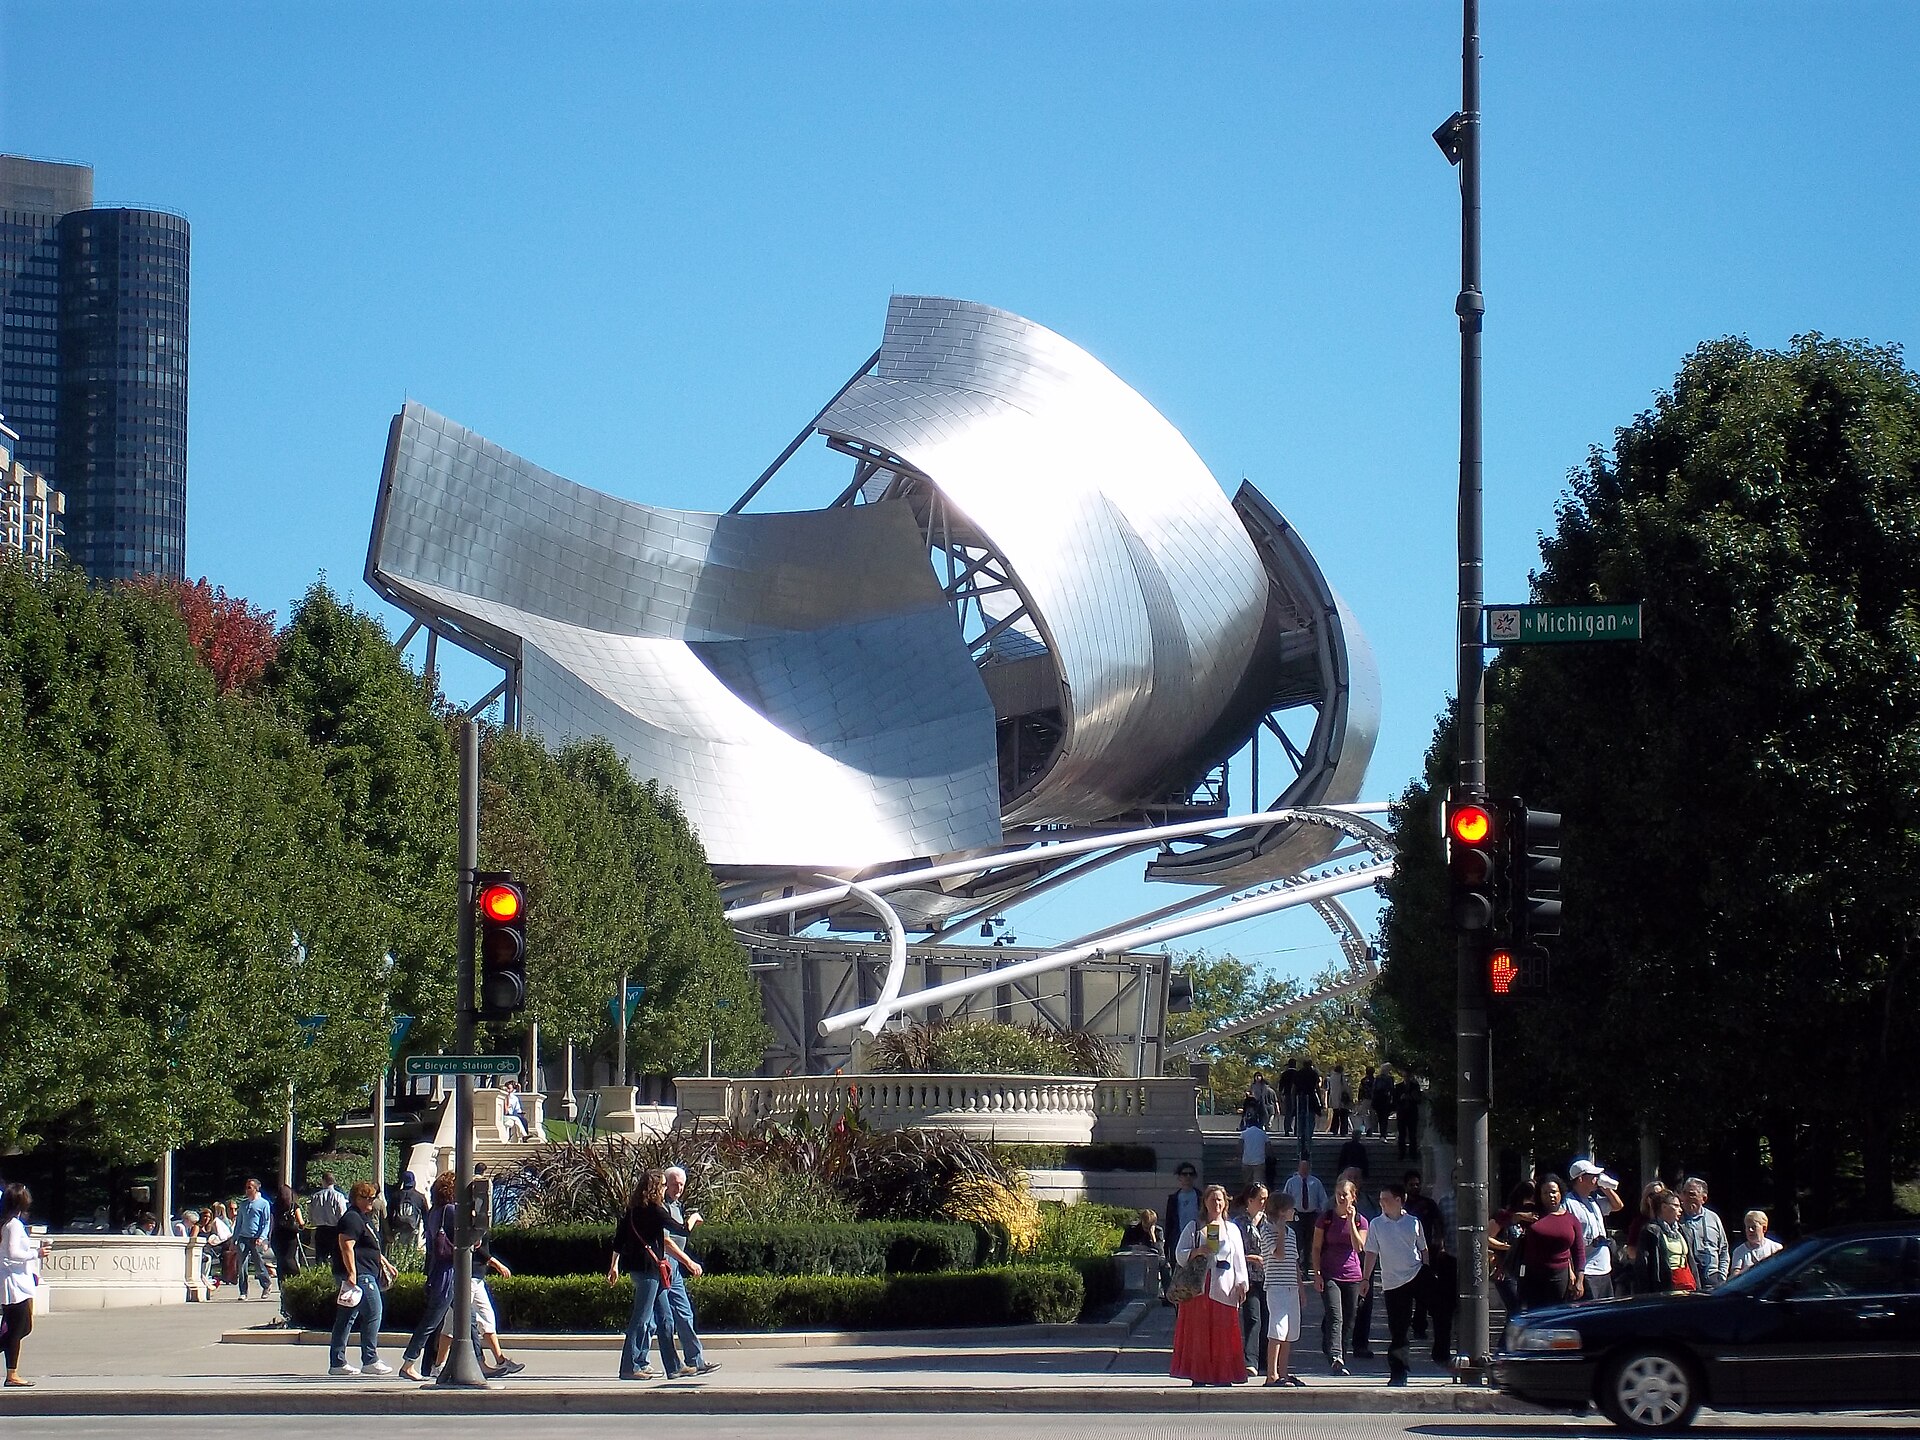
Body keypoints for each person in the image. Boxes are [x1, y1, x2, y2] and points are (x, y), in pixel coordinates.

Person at [607, 1170, 702, 1380]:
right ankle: (629, 1367)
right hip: (647, 1270)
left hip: (647, 1270)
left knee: (666, 1318)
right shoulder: (655, 1210)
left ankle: (674, 1367)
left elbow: (618, 1240)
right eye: (662, 1186)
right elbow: (682, 1230)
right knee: (641, 1319)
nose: (665, 1190)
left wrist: (614, 1265)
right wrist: (694, 1218)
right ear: (655, 1188)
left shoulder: (632, 1210)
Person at [1170, 1183, 1249, 1385]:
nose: (1217, 1204)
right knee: (1199, 1333)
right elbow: (1180, 1255)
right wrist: (1198, 1251)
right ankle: (1199, 1374)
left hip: (1225, 1285)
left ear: (1225, 1203)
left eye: (1220, 1200)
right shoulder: (1194, 1227)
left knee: (1224, 1330)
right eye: (1212, 1199)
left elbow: (1239, 1259)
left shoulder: (1232, 1229)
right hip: (1199, 1288)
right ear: (1205, 1202)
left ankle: (1223, 1374)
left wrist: (1241, 1283)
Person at [1360, 1182, 1429, 1386]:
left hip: (1416, 1274)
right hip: (1392, 1283)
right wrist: (1366, 1278)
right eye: (1380, 1199)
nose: (1382, 1203)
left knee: (1435, 1309)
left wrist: (1426, 1270)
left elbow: (1423, 1249)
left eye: (1386, 1199)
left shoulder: (1413, 1222)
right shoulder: (1376, 1225)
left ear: (1399, 1201)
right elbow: (1371, 1252)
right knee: (1398, 1329)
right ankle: (1399, 1372)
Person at [399, 1174, 464, 1381]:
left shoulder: (435, 1211)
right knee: (433, 1319)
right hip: (448, 1271)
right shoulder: (452, 1211)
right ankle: (409, 1362)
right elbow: (463, 1239)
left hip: (438, 1269)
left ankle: (477, 1361)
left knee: (468, 1319)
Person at [328, 1181, 397, 1377]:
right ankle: (370, 1359)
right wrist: (351, 1273)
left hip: (366, 1271)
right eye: (366, 1197)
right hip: (361, 1274)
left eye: (372, 1197)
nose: (370, 1201)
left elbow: (369, 1246)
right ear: (355, 1198)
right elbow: (346, 1246)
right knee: (374, 1312)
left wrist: (385, 1262)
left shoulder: (362, 1218)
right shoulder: (351, 1218)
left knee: (346, 1318)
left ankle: (337, 1362)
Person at [662, 1165, 721, 1376]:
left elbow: (681, 1231)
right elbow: (666, 1241)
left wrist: (693, 1218)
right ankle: (638, 1362)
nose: (678, 1188)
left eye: (681, 1185)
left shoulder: (677, 1206)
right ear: (665, 1184)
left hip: (675, 1269)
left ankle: (696, 1361)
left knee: (685, 1314)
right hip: (663, 1267)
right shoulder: (662, 1207)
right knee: (657, 1320)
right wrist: (689, 1262)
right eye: (674, 1184)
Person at [1312, 1177, 1368, 1375]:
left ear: (1353, 1197)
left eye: (1345, 1194)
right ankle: (1336, 1356)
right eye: (1338, 1194)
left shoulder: (1361, 1221)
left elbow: (1359, 1247)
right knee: (1336, 1315)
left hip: (1352, 1275)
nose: (1341, 1198)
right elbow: (1316, 1247)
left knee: (1349, 1318)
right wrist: (1317, 1273)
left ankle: (1340, 1352)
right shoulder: (1325, 1218)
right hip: (1330, 1274)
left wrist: (1351, 1221)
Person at [2, 1183, 51, 1388]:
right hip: (14, 1283)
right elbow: (13, 1253)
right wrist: (36, 1254)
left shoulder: (9, 1223)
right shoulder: (13, 1224)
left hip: (17, 1280)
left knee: (22, 1327)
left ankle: (12, 1372)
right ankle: (12, 1374)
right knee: (16, 1328)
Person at [1260, 1191, 1308, 1387]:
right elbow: (1278, 1254)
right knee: (1277, 1330)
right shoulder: (1266, 1230)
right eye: (1289, 1208)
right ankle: (1271, 1375)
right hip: (1276, 1286)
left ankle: (1283, 1372)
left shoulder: (1292, 1232)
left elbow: (1294, 1261)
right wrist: (1279, 1232)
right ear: (1280, 1211)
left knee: (1289, 1332)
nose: (1293, 1211)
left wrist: (1301, 1288)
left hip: (1290, 1286)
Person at [1517, 1174, 1585, 1310]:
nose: (1551, 1196)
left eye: (1554, 1192)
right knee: (1535, 1318)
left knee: (1557, 1317)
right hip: (1532, 1278)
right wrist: (1517, 1216)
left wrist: (1579, 1280)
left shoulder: (1571, 1220)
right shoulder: (1530, 1215)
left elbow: (1579, 1252)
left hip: (1560, 1278)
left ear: (1561, 1193)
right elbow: (1503, 1219)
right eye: (1546, 1193)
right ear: (1539, 1195)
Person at [1565, 1159, 1624, 1301]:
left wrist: (1606, 1187)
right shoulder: (1568, 1203)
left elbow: (1618, 1205)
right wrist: (1572, 1273)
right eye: (1593, 1176)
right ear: (1580, 1179)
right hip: (1587, 1269)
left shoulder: (1593, 1201)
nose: (1596, 1179)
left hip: (1604, 1268)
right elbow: (1565, 1241)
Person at [1232, 1184, 1272, 1378]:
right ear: (1250, 1200)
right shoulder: (1238, 1224)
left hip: (1269, 1277)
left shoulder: (1270, 1221)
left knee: (1268, 1317)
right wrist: (1252, 1258)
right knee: (1253, 1317)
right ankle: (1251, 1360)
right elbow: (1233, 1251)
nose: (1264, 1202)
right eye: (1261, 1198)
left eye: (1266, 1198)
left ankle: (1266, 1359)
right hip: (1248, 1276)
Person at [1488, 1180, 1538, 1318]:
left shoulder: (1535, 1217)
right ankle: (1507, 1340)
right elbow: (1486, 1238)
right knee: (1517, 1310)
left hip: (1528, 1269)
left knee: (1523, 1310)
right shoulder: (1504, 1215)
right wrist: (1508, 1247)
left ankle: (1510, 1339)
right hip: (1507, 1268)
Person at [1634, 1189, 1696, 1293]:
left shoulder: (1683, 1230)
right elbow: (1643, 1265)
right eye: (1676, 1206)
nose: (1680, 1209)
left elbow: (1691, 1261)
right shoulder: (1651, 1231)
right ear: (1664, 1207)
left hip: (1686, 1282)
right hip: (1665, 1285)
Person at [1678, 1177, 1731, 1292]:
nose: (1686, 1198)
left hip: (1712, 1278)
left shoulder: (1713, 1218)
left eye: (1691, 1194)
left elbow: (1723, 1249)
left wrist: (1721, 1276)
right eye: (1684, 1193)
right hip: (1687, 1280)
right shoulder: (1677, 1219)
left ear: (1704, 1198)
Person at [232, 1178, 276, 1300]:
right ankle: (243, 1291)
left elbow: (266, 1222)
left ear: (256, 1188)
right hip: (243, 1237)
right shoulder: (243, 1204)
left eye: (249, 1187)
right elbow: (238, 1222)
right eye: (246, 1187)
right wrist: (234, 1238)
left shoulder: (263, 1203)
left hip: (256, 1238)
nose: (247, 1190)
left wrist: (262, 1237)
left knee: (259, 1264)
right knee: (242, 1265)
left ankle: (266, 1285)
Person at [269, 1181, 307, 1321]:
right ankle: (296, 1283)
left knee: (281, 1262)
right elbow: (301, 1223)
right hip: (290, 1236)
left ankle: (283, 1288)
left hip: (277, 1236)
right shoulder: (294, 1206)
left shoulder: (275, 1207)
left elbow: (272, 1224)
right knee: (290, 1259)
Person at [1281, 1157, 1326, 1272]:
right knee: (1298, 1240)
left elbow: (1322, 1199)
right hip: (1297, 1215)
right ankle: (1298, 1266)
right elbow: (1285, 1197)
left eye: (1306, 1167)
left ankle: (1307, 1266)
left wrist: (1323, 1213)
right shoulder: (1291, 1182)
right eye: (1302, 1167)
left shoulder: (1315, 1182)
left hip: (1312, 1215)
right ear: (1299, 1168)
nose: (1304, 1170)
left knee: (1309, 1241)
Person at [1162, 1162, 1203, 1290]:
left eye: (1191, 1174)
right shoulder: (1174, 1198)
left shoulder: (1200, 1197)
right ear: (1179, 1177)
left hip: (1197, 1241)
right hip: (1178, 1240)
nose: (1188, 1177)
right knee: (1179, 1279)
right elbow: (1169, 1223)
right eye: (1184, 1174)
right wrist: (1166, 1247)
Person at [388, 1171, 428, 1260]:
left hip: (398, 1228)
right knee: (411, 1253)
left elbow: (390, 1213)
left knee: (398, 1253)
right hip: (413, 1228)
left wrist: (389, 1229)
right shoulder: (420, 1197)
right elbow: (426, 1215)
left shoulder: (396, 1195)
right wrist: (426, 1230)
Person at [1729, 1210, 1783, 1275]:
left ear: (1764, 1229)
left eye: (1753, 1227)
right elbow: (1734, 1277)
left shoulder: (1776, 1248)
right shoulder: (1739, 1251)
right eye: (1747, 1227)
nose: (1750, 1230)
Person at [309, 1171, 347, 1261]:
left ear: (323, 1181)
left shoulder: (315, 1196)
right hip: (335, 1229)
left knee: (320, 1257)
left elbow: (311, 1214)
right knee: (336, 1257)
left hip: (320, 1229)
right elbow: (342, 1213)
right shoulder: (339, 1196)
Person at [1294, 1056, 1322, 1158]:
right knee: (1310, 1119)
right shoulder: (1313, 1073)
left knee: (1301, 1118)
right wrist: (1320, 1101)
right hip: (1310, 1098)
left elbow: (1295, 1087)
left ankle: (1301, 1140)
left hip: (1300, 1098)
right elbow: (1316, 1087)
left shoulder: (1299, 1073)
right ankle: (1308, 1141)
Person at [1394, 1074, 1422, 1159]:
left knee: (1412, 1134)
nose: (1407, 1078)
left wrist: (1412, 1097)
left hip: (1412, 1112)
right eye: (1405, 1076)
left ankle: (1413, 1153)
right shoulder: (1398, 1086)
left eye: (1408, 1076)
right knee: (1402, 1134)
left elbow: (1419, 1099)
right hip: (1402, 1112)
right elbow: (1395, 1100)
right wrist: (1400, 1098)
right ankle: (1401, 1153)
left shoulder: (1415, 1086)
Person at [1239, 1109, 1268, 1190]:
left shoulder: (1244, 1133)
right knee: (1258, 1185)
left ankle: (1247, 1199)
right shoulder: (1263, 1134)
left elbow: (1240, 1146)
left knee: (1247, 1184)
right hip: (1259, 1161)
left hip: (1246, 1161)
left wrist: (1239, 1156)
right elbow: (1268, 1146)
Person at [1372, 1065, 1397, 1142]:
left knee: (1381, 1117)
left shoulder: (1377, 1078)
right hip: (1385, 1100)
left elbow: (1374, 1090)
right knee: (1384, 1118)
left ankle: (1382, 1134)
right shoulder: (1389, 1079)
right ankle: (1383, 1134)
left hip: (1378, 1100)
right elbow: (1392, 1090)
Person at [1276, 1060, 1300, 1136]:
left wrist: (1280, 1095)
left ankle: (1287, 1130)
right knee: (1297, 1113)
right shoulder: (1298, 1074)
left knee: (1288, 1112)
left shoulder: (1284, 1074)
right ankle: (1296, 1130)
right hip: (1297, 1095)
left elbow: (1280, 1086)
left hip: (1287, 1095)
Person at [1327, 1066, 1350, 1137]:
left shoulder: (1331, 1078)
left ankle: (1334, 1130)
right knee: (1344, 1115)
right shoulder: (1341, 1077)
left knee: (1335, 1115)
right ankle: (1343, 1131)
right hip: (1341, 1099)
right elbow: (1346, 1088)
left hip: (1334, 1098)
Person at [1355, 1067, 1377, 1137]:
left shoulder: (1364, 1080)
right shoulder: (1375, 1080)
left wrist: (1359, 1099)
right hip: (1374, 1099)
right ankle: (1373, 1128)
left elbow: (1361, 1090)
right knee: (1372, 1114)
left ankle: (1368, 1128)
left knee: (1365, 1114)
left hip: (1366, 1099)